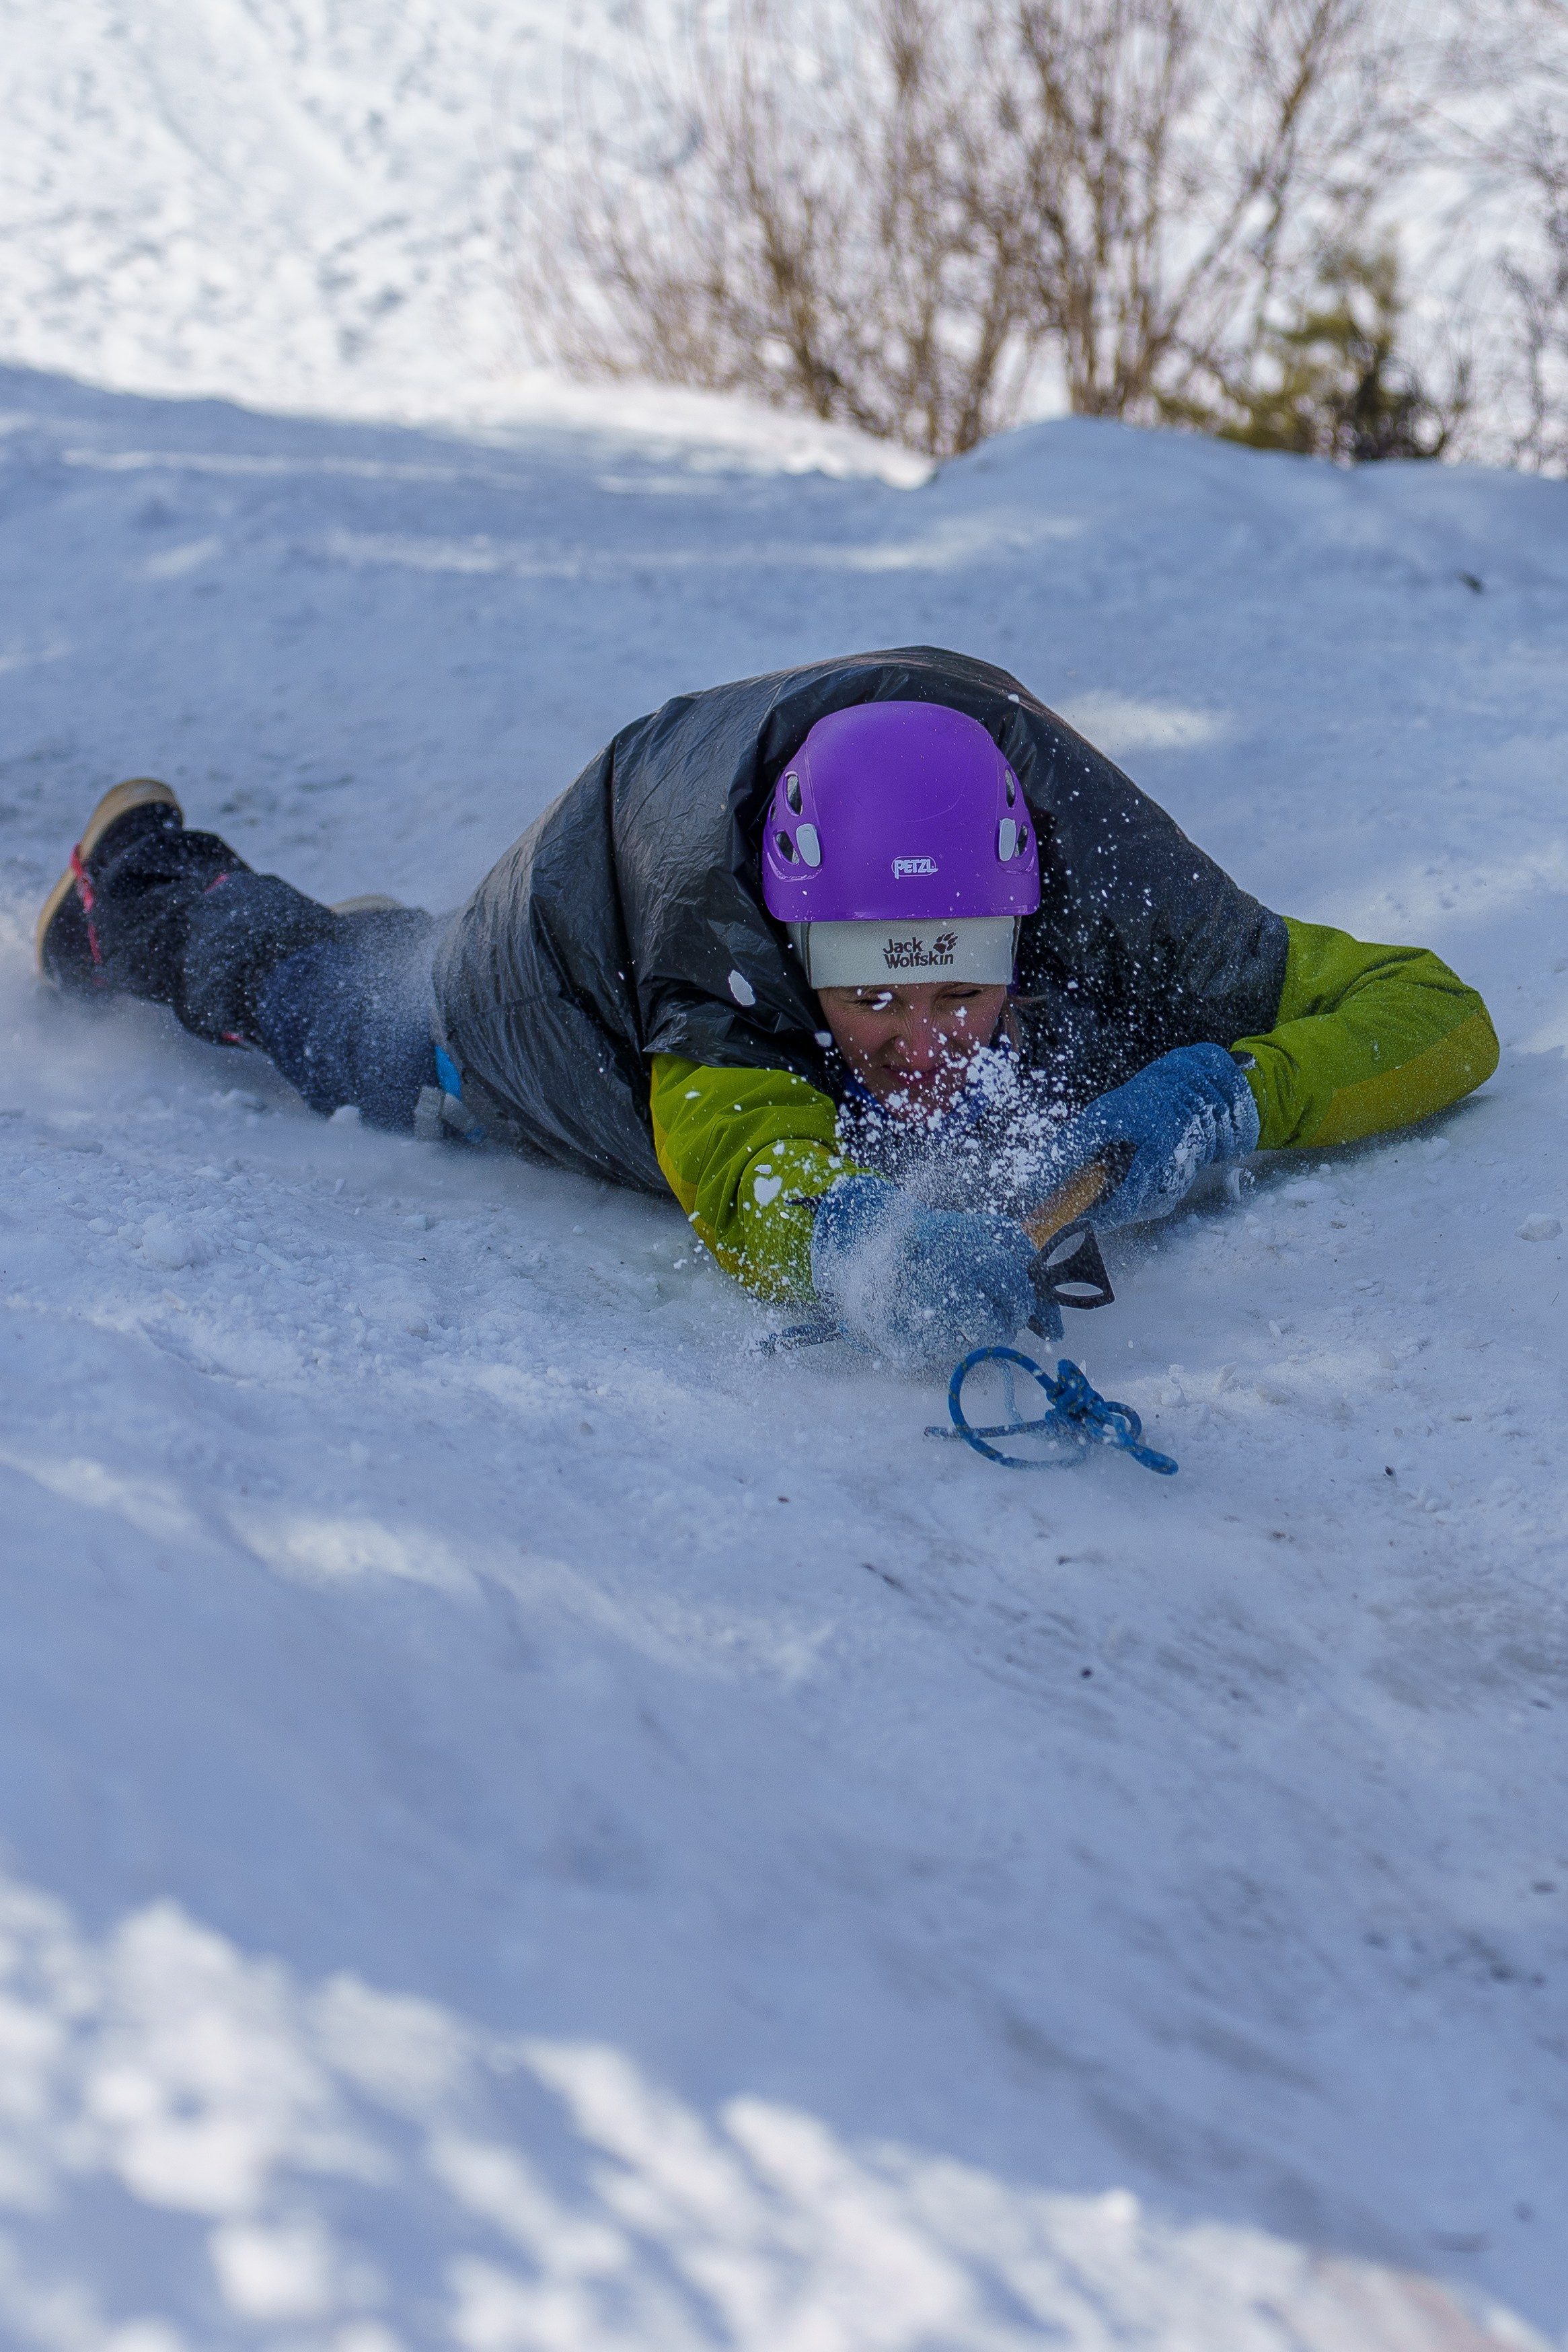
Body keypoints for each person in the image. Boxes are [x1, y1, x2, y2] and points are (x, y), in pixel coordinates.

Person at [36, 645, 1497, 1364]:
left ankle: (383, 948)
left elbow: (1432, 1011)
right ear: (797, 945)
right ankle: (137, 881)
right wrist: (871, 1252)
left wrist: (1228, 1094)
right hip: (535, 997)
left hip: (621, 898)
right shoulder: (704, 932)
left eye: (957, 989)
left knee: (387, 964)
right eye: (869, 993)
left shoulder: (1088, 867)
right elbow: (742, 1161)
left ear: (1017, 922)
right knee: (351, 1028)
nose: (920, 1037)